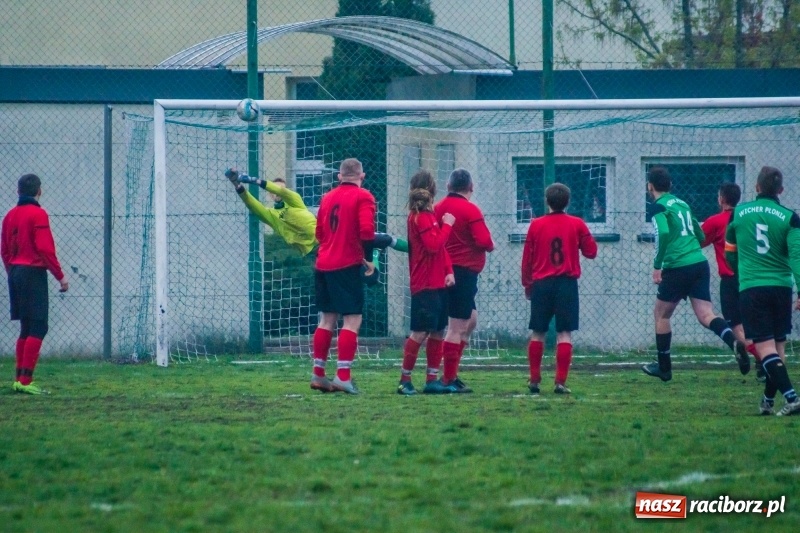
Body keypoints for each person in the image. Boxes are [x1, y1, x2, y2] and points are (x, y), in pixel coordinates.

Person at [642, 166, 747, 382]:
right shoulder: (682, 203)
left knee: (661, 315)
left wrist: (657, 266)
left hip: (677, 266)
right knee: (706, 315)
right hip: (699, 263)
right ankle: (734, 341)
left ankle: (664, 368)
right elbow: (698, 233)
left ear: (649, 186)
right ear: (670, 185)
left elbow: (663, 232)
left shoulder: (658, 206)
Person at [224, 169, 407, 280]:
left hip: (331, 239)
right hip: (318, 251)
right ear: (270, 195)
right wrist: (237, 185)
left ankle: (409, 248)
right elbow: (253, 205)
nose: (278, 191)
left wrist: (254, 180)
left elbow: (278, 189)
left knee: (384, 242)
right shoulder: (272, 216)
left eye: (281, 188)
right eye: (274, 189)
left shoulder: (294, 200)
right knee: (363, 274)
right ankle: (374, 253)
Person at [725, 166, 800, 416]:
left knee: (764, 348)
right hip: (781, 288)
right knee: (778, 348)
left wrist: (741, 272)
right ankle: (767, 401)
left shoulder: (738, 213)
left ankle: (792, 398)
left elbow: (729, 253)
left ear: (756, 187)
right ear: (781, 190)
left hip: (753, 287)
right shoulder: (790, 217)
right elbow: (797, 258)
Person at [306, 158, 376, 394]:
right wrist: (368, 259)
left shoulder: (327, 198)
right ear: (362, 176)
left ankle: (318, 374)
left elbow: (319, 233)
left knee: (326, 319)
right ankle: (343, 376)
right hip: (346, 265)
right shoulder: (363, 196)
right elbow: (367, 231)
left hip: (323, 264)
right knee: (352, 319)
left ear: (339, 176)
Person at [521, 183, 597, 394]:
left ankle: (534, 380)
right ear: (568, 202)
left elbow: (527, 259)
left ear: (546, 201)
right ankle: (560, 382)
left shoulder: (536, 225)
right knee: (564, 333)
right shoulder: (577, 224)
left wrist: (527, 284)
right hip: (566, 284)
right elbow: (591, 252)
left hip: (541, 284)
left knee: (538, 332)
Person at [1, 173, 69, 394]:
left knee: (26, 326)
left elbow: (4, 250)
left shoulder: (9, 216)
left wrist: (12, 272)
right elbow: (45, 249)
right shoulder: (38, 214)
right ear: (39, 191)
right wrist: (60, 276)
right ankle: (26, 381)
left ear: (18, 191)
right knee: (39, 326)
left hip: (15, 271)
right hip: (33, 273)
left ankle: (18, 380)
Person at [433, 168, 495, 393]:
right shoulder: (470, 209)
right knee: (456, 326)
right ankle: (448, 379)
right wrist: (491, 245)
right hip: (461, 272)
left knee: (471, 320)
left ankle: (451, 374)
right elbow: (484, 241)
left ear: (448, 186)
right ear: (471, 187)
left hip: (443, 271)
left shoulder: (437, 208)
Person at [397, 170, 456, 395]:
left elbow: (439, 249)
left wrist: (448, 270)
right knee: (420, 332)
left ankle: (432, 379)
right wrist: (448, 225)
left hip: (437, 281)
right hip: (425, 283)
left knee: (438, 330)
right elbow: (433, 245)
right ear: (431, 189)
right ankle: (404, 380)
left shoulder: (427, 215)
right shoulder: (420, 216)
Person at [701, 182, 763, 379]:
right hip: (752, 277)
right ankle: (764, 361)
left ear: (721, 199)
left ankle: (763, 359)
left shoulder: (716, 221)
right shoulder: (748, 218)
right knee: (755, 323)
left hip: (730, 279)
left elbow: (699, 241)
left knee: (736, 325)